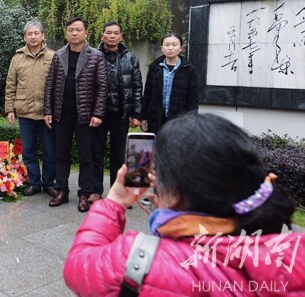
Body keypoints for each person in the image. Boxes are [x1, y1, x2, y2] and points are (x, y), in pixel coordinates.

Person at [63, 112, 304, 296]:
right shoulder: (296, 252)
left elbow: (79, 266)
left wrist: (114, 202)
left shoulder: (135, 257)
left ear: (175, 191)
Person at [44, 17, 108, 213]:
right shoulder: (59, 55)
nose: (74, 33)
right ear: (66, 33)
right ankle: (61, 190)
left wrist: (97, 113)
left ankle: (84, 194)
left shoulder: (96, 56)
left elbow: (103, 87)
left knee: (86, 156)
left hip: (85, 115)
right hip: (61, 114)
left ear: (86, 33)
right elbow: (50, 85)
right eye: (71, 30)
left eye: (78, 30)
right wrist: (48, 111)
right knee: (61, 154)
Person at [4, 20, 57, 197]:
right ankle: (34, 183)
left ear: (43, 35)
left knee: (50, 151)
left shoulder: (53, 56)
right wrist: (10, 108)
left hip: (47, 113)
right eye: (29, 34)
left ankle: (49, 183)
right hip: (25, 112)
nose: (33, 37)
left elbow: (59, 85)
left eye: (36, 33)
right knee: (28, 151)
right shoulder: (17, 58)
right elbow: (10, 85)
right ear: (25, 37)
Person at [97, 21, 143, 187]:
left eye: (116, 33)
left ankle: (118, 190)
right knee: (96, 153)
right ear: (102, 36)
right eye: (108, 33)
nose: (112, 36)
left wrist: (137, 114)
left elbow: (137, 87)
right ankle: (95, 190)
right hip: (98, 114)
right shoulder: (93, 56)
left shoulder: (130, 58)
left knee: (119, 155)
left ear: (121, 36)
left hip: (121, 114)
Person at [141, 32, 198, 135]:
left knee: (175, 148)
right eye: (167, 45)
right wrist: (144, 117)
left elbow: (192, 99)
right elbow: (148, 94)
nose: (170, 48)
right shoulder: (154, 68)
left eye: (174, 45)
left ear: (181, 48)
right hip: (156, 118)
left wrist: (192, 120)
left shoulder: (189, 70)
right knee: (157, 148)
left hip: (179, 119)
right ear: (162, 48)